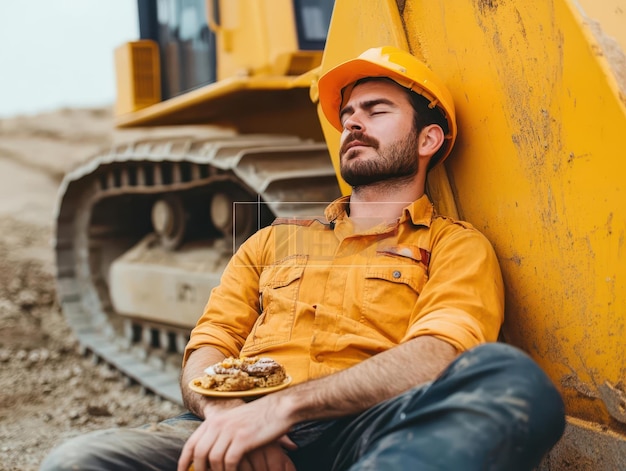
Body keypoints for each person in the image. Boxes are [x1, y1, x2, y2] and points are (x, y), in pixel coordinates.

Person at [41, 46, 565, 471]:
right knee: (78, 460)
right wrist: (229, 417)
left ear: (429, 138)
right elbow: (208, 347)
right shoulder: (273, 240)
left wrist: (280, 409)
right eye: (348, 114)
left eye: (376, 110)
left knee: (509, 377)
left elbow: (440, 354)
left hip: (373, 429)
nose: (353, 123)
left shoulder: (454, 245)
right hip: (237, 436)